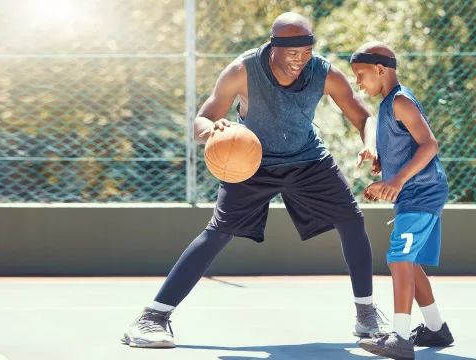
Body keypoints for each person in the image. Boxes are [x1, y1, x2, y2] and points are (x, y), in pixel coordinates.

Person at [122, 12, 386, 349]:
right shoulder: (242, 71)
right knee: (218, 233)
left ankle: (366, 315)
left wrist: (370, 143)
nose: (300, 61)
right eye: (293, 54)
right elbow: (202, 120)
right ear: (274, 47)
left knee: (352, 221)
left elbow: (363, 116)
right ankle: (152, 317)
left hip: (308, 159)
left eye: (306, 53)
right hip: (251, 162)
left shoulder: (322, 72)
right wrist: (211, 131)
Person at [351, 42, 454, 360]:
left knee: (398, 259)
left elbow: (429, 145)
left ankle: (400, 337)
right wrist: (384, 169)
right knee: (409, 263)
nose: (358, 82)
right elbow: (404, 147)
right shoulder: (386, 106)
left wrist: (397, 180)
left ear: (380, 69)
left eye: (361, 75)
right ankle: (436, 329)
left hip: (422, 192)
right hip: (414, 193)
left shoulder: (400, 101)